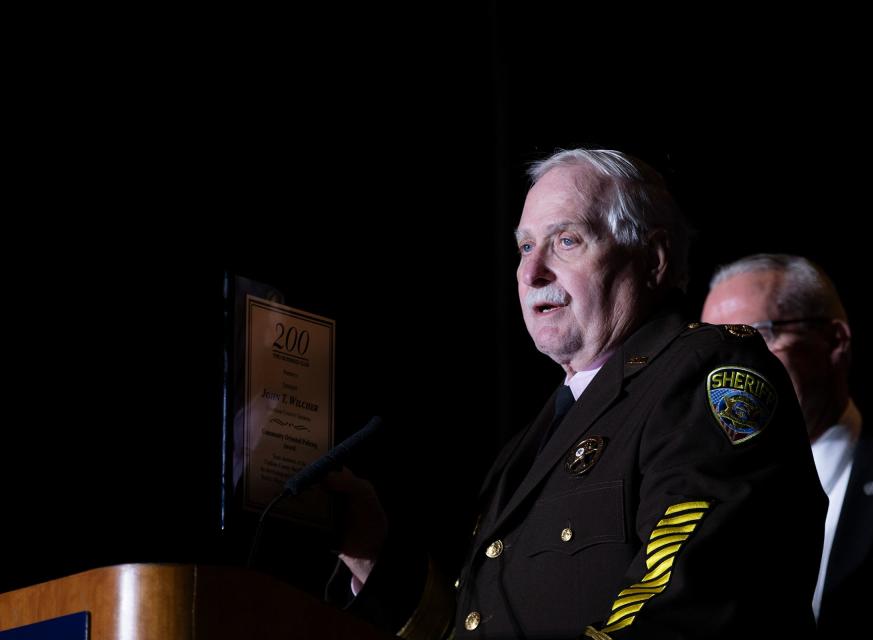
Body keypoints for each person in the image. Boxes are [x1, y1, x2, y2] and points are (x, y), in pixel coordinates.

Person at [326, 150, 826, 639]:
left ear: (652, 260)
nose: (531, 273)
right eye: (525, 248)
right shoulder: (533, 439)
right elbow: (469, 621)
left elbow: (694, 602)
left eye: (566, 241)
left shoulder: (705, 371)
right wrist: (370, 549)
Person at [701, 254, 873, 636]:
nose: (731, 370)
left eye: (757, 337)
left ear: (835, 341)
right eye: (711, 350)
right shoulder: (687, 491)